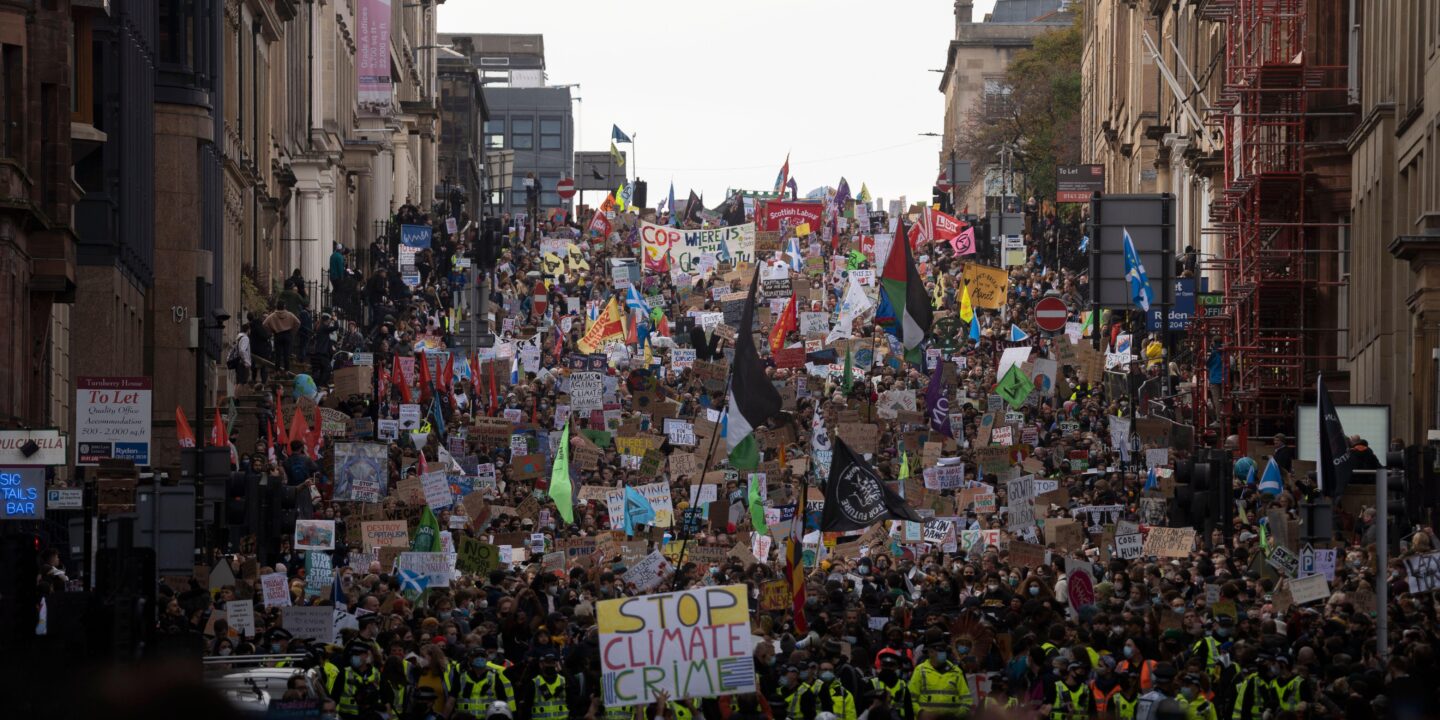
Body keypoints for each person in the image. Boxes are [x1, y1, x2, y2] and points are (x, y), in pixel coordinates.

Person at [908, 630, 971, 717]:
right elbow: (910, 699)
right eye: (939, 650)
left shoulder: (956, 671)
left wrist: (957, 716)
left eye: (943, 650)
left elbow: (967, 700)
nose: (943, 653)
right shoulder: (920, 670)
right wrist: (921, 713)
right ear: (930, 652)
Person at [330, 640, 382, 720]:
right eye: (353, 654)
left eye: (358, 654)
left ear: (366, 655)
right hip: (347, 717)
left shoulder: (376, 674)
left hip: (369, 717)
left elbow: (382, 699)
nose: (354, 657)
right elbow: (334, 699)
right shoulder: (344, 673)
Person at [455, 648, 515, 715]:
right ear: (470, 658)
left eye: (483, 656)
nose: (480, 658)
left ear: (487, 659)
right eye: (476, 656)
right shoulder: (461, 677)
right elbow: (451, 701)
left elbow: (502, 701)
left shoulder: (495, 677)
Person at [264, 301, 301, 373]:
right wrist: (293, 332)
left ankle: (277, 371)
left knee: (278, 354)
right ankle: (286, 371)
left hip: (278, 335)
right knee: (286, 353)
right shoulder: (290, 314)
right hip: (287, 334)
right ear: (284, 306)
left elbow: (264, 324)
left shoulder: (273, 315)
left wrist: (271, 330)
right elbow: (298, 322)